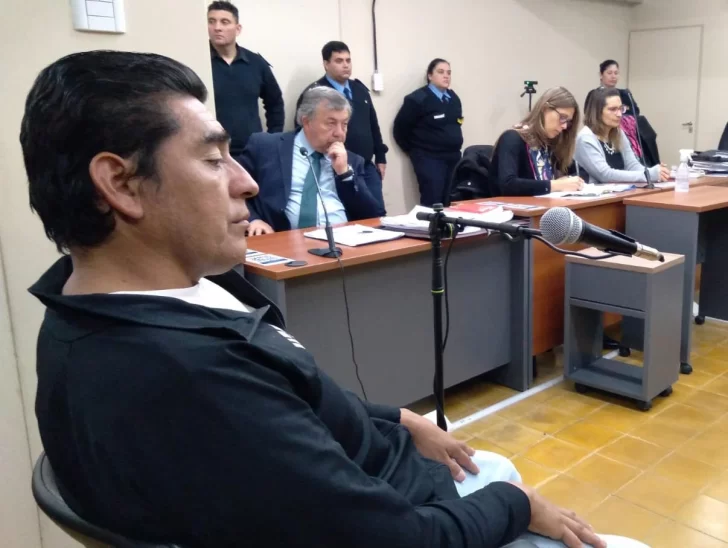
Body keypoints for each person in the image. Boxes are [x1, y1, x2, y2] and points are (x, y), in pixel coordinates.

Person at [22, 50, 639, 548]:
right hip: (409, 508)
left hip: (391, 465)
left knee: (493, 468)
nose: (246, 181)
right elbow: (395, 538)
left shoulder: (101, 302)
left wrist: (398, 418)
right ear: (121, 183)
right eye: (213, 159)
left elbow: (294, 398)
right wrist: (516, 506)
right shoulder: (188, 376)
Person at [241, 87, 385, 235]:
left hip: (342, 241)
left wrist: (345, 175)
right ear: (306, 121)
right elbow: (233, 190)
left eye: (344, 124)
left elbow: (374, 217)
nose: (339, 133)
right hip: (282, 239)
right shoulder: (265, 147)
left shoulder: (354, 162)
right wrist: (253, 219)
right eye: (331, 123)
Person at [295, 41, 388, 210]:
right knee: (346, 213)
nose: (346, 65)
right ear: (326, 64)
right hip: (333, 166)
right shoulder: (315, 93)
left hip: (365, 164)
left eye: (348, 60)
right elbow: (303, 130)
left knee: (377, 213)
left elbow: (373, 124)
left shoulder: (359, 89)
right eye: (339, 61)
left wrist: (380, 156)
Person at [207, 1, 284, 156]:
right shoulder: (199, 61)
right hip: (211, 151)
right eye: (211, 21)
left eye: (224, 22)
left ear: (238, 29)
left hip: (251, 151)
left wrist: (272, 139)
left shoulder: (256, 63)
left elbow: (275, 103)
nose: (217, 27)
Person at [488, 87, 584, 197]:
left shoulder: (550, 143)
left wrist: (568, 181)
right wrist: (555, 185)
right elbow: (508, 185)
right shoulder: (512, 138)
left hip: (545, 204)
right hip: (513, 206)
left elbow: (580, 172)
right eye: (562, 117)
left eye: (568, 122)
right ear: (545, 108)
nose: (565, 126)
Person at [393, 58, 463, 207]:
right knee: (433, 202)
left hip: (453, 158)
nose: (446, 76)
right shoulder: (417, 99)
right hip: (430, 159)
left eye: (449, 73)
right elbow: (400, 128)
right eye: (441, 72)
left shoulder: (453, 98)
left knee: (453, 202)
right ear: (430, 75)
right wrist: (415, 150)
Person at [575, 87, 670, 184]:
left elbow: (632, 166)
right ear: (596, 112)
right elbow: (605, 175)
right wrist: (648, 175)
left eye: (621, 109)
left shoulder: (618, 133)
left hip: (622, 191)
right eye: (613, 109)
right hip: (597, 193)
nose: (619, 114)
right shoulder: (585, 138)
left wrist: (656, 172)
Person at [584, 60, 642, 158]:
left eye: (616, 73)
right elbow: (589, 115)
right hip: (600, 135)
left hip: (622, 136)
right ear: (601, 75)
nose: (613, 76)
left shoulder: (625, 94)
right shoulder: (594, 95)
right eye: (609, 73)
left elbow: (635, 113)